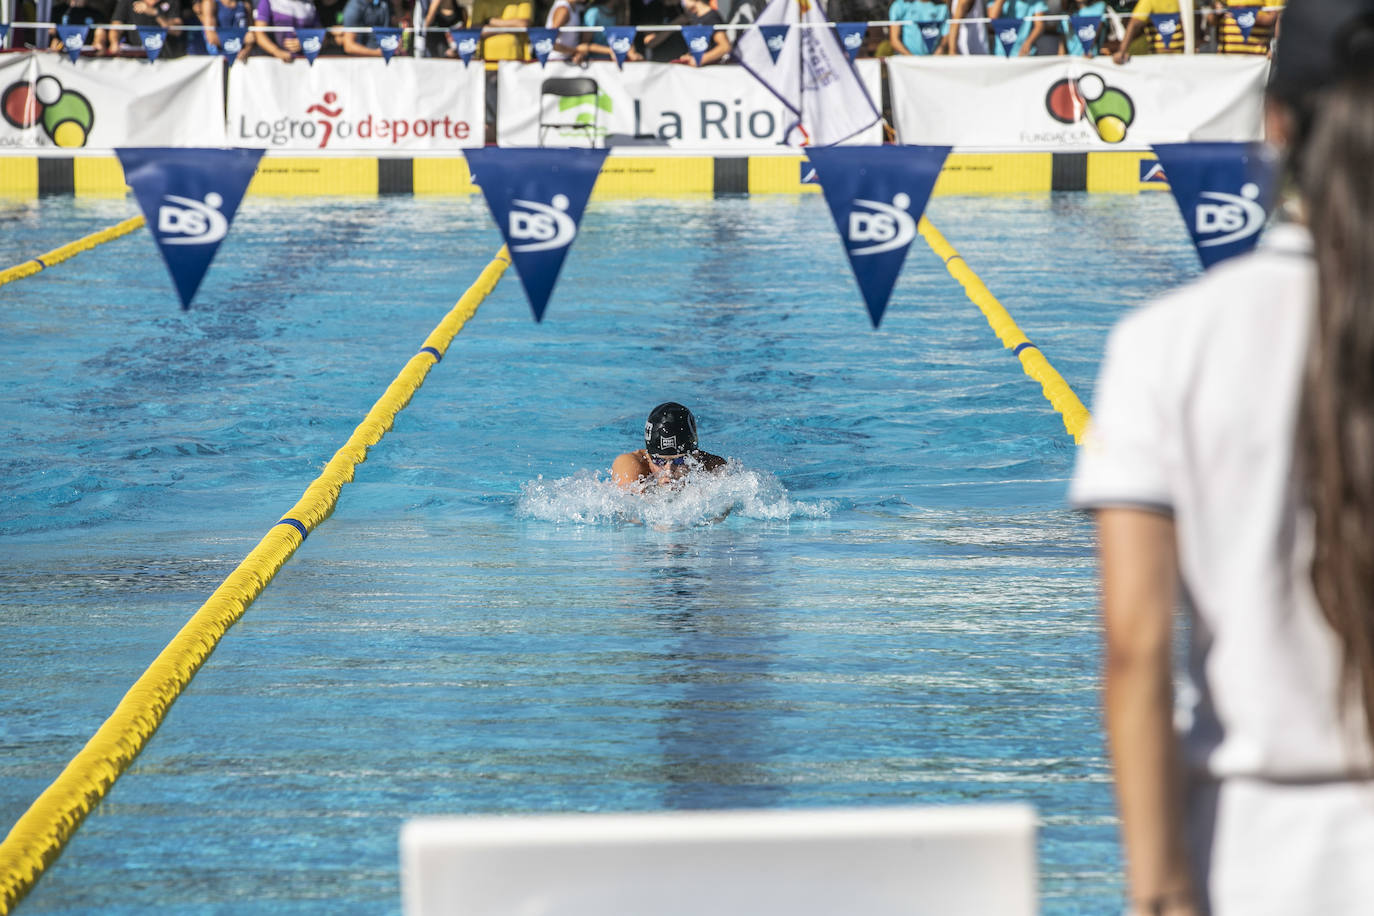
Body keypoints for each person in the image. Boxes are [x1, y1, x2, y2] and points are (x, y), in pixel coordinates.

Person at [1069, 0, 1374, 913]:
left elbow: (1137, 649)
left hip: (1254, 854)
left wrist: (1160, 888)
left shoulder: (1169, 343)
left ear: (1274, 122)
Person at [612, 403, 726, 490]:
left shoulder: (714, 469)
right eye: (659, 460)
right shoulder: (631, 467)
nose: (669, 471)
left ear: (695, 456)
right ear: (649, 456)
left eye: (680, 460)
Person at [1112, 0, 1182, 62]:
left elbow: (1134, 24)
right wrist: (1122, 51)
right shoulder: (1148, 2)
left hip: (1182, 56)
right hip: (1158, 57)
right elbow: (1134, 24)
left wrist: (1122, 51)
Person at [252, 0, 321, 60]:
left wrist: (305, 42)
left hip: (304, 62)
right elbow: (259, 33)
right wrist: (276, 51)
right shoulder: (269, 1)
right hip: (274, 63)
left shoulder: (310, 4)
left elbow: (320, 35)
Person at [1209, 0, 1283, 55]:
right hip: (1226, 55)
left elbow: (1275, 17)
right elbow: (1212, 21)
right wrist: (1215, 11)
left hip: (1256, 55)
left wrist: (1240, 14)